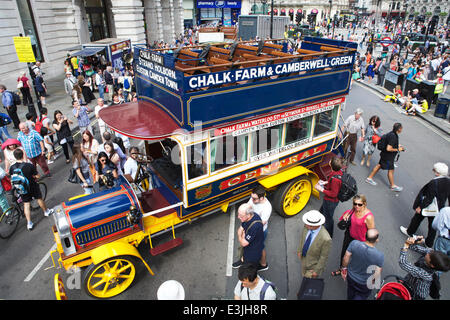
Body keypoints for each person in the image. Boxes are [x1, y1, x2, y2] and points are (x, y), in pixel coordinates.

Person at [400, 163, 450, 248]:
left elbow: (429, 198)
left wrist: (420, 207)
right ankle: (429, 243)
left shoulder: (434, 182)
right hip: (439, 207)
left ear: (437, 173)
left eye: (434, 170)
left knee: (417, 218)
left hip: (429, 205)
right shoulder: (448, 181)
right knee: (432, 227)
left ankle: (410, 231)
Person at [9, 148, 54, 230]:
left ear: (15, 157)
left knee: (26, 204)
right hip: (32, 186)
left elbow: (11, 176)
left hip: (22, 188)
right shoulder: (29, 166)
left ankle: (29, 223)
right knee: (39, 199)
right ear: (23, 155)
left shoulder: (12, 167)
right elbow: (37, 176)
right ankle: (46, 212)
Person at [332, 194, 375, 277]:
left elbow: (372, 232)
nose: (357, 206)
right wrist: (347, 214)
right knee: (344, 254)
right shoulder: (354, 209)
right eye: (355, 204)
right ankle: (342, 269)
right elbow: (350, 214)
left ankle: (353, 273)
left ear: (364, 204)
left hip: (360, 241)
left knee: (357, 259)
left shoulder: (368, 217)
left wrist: (369, 245)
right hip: (349, 236)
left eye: (359, 204)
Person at [399, 236, 450, 300]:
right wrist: (415, 241)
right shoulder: (431, 253)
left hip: (416, 294)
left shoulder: (426, 274)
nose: (428, 253)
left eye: (429, 255)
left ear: (432, 265)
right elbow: (414, 247)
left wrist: (405, 246)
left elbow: (403, 264)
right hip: (410, 281)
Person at [341, 229, 384, 300]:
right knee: (362, 296)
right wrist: (373, 281)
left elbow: (346, 258)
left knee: (350, 291)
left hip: (351, 276)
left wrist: (344, 269)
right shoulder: (379, 255)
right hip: (365, 282)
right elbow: (377, 272)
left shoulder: (354, 243)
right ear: (377, 240)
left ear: (365, 235)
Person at [366, 123, 404, 192]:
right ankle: (393, 186)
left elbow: (389, 143)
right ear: (399, 129)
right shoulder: (394, 136)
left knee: (379, 165)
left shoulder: (391, 133)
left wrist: (397, 145)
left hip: (385, 155)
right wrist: (398, 149)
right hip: (388, 157)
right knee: (391, 170)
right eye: (401, 128)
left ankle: (369, 178)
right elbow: (389, 148)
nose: (402, 130)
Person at [315, 156, 344, 238]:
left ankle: (328, 235)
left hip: (330, 201)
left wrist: (321, 189)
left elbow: (333, 193)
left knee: (328, 219)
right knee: (322, 212)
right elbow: (333, 180)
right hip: (329, 201)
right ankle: (317, 225)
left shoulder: (335, 179)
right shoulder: (338, 172)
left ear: (330, 164)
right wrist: (325, 182)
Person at [297, 210, 331, 278]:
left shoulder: (326, 238)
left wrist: (316, 271)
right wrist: (299, 250)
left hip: (313, 267)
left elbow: (323, 257)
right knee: (303, 275)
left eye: (308, 224)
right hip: (304, 260)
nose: (305, 225)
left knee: (308, 283)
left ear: (315, 225)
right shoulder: (306, 227)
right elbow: (302, 238)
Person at [232, 203, 264, 269]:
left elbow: (244, 243)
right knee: (244, 254)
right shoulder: (248, 217)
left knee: (249, 268)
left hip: (253, 250)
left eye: (241, 215)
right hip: (248, 246)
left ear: (248, 215)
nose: (238, 217)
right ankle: (242, 260)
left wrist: (241, 237)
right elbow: (240, 229)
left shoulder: (255, 226)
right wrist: (242, 237)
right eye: (238, 214)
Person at [247, 185, 271, 271]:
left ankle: (263, 265)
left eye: (254, 199)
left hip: (259, 231)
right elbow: (248, 207)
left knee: (259, 247)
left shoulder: (267, 207)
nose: (252, 200)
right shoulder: (253, 199)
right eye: (252, 197)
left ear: (261, 198)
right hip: (250, 227)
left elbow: (261, 223)